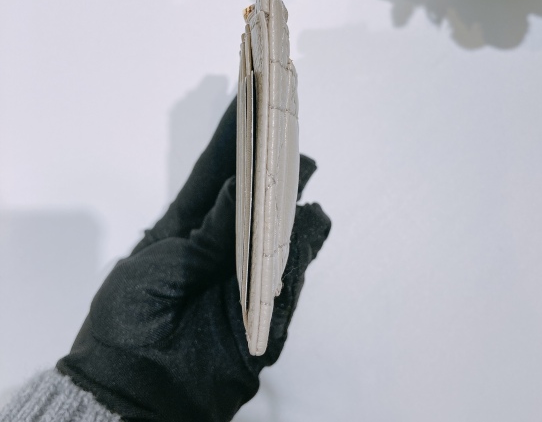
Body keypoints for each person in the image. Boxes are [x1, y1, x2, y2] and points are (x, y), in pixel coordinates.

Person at [1, 98, 331, 422]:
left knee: (197, 228)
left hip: (125, 356)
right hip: (151, 376)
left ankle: (256, 114)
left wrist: (106, 370)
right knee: (199, 230)